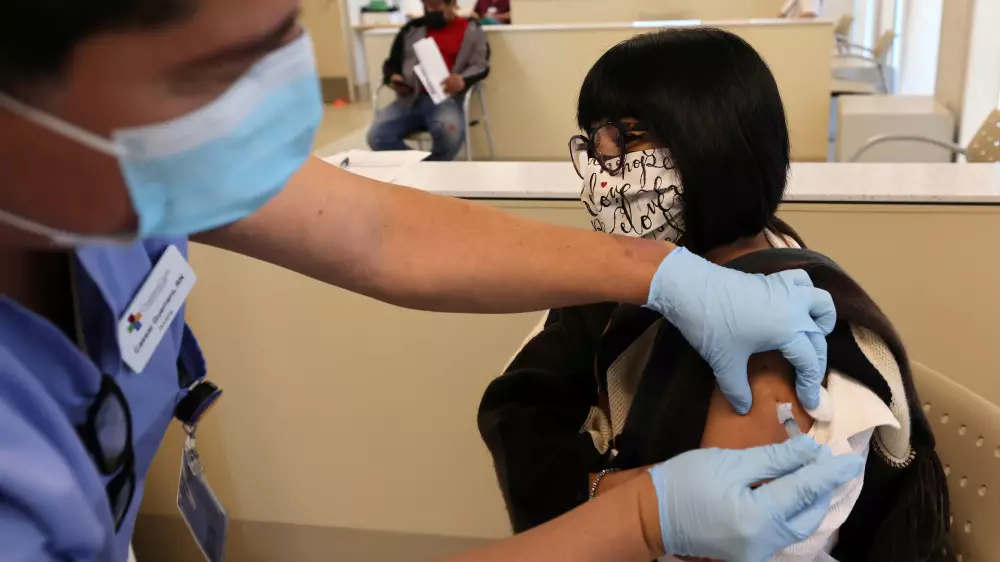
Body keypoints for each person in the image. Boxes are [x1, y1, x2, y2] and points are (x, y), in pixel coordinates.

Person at [0, 1, 860, 561]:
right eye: (220, 70)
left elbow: (377, 233)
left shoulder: (128, 154)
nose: (280, 92)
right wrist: (636, 520)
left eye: (286, 27)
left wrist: (662, 272)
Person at [478, 28, 951, 561]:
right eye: (593, 140)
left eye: (626, 138)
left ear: (713, 141)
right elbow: (518, 407)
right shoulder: (645, 272)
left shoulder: (780, 347)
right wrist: (618, 497)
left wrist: (606, 495)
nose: (599, 167)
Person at [366, 0, 487, 161]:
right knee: (376, 136)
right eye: (427, 6)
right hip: (410, 99)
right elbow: (392, 63)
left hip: (445, 99)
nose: (430, 10)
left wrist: (463, 80)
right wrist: (393, 77)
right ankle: (422, 167)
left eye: (436, 6)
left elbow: (481, 66)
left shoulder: (472, 30)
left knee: (450, 133)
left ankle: (426, 169)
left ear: (452, 4)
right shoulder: (412, 28)